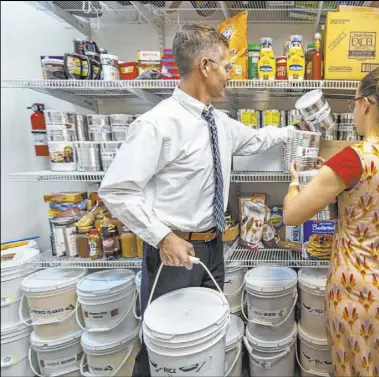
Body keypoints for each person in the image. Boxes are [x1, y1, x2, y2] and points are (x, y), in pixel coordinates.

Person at [98, 23, 293, 376]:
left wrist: (295, 131)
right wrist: (162, 236)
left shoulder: (220, 122)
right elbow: (117, 190)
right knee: (167, 345)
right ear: (205, 66)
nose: (230, 75)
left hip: (212, 247)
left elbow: (257, 140)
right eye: (226, 66)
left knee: (206, 338)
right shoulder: (158, 124)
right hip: (172, 253)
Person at [283, 55, 379, 377]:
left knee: (352, 368)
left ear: (365, 104)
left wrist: (296, 180)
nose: (353, 112)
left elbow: (292, 215)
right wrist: (333, 176)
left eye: (353, 105)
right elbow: (376, 194)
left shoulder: (354, 158)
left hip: (355, 287)